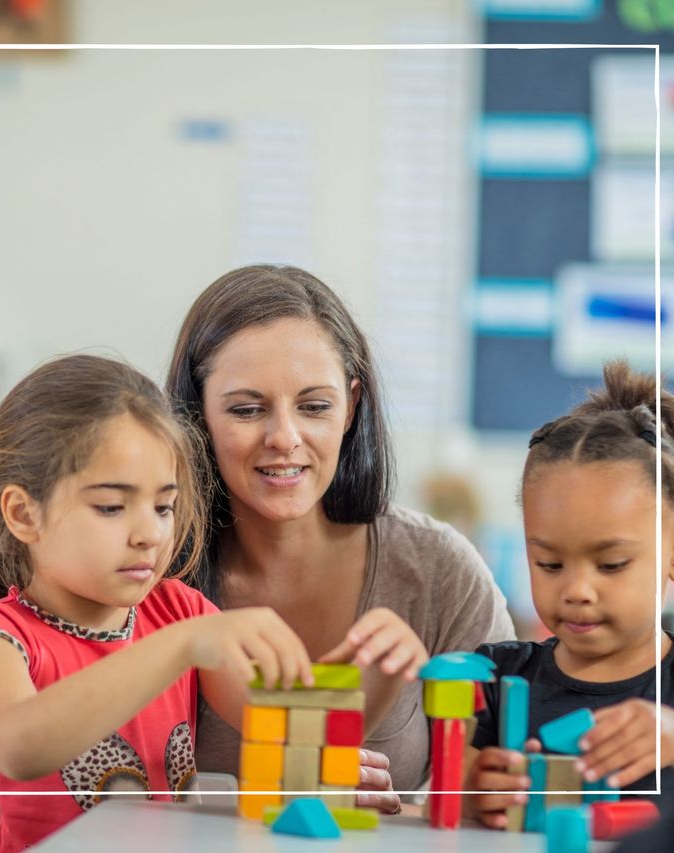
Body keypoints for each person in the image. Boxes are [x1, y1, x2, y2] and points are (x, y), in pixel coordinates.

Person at [0, 354, 351, 851]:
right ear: (23, 514)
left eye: (163, 506)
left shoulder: (178, 612)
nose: (149, 534)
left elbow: (281, 721)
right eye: (111, 507)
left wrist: (372, 674)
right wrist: (180, 646)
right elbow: (20, 748)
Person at [166, 264, 515, 806]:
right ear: (197, 414)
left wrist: (495, 791)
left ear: (351, 405)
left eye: (314, 406)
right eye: (246, 409)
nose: (284, 437)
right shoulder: (149, 576)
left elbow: (490, 783)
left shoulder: (439, 570)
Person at [465, 361, 674, 827]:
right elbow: (449, 798)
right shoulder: (496, 676)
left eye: (610, 565)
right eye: (549, 564)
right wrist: (474, 795)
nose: (577, 590)